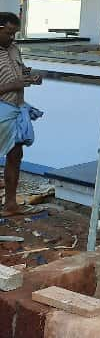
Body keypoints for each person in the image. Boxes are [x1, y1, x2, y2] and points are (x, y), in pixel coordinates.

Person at [0, 12, 43, 214]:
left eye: (15, 33)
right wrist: (13, 85)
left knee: (15, 155)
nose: (13, 38)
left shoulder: (14, 49)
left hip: (16, 110)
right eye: (9, 33)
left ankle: (10, 203)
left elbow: (21, 71)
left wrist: (30, 76)